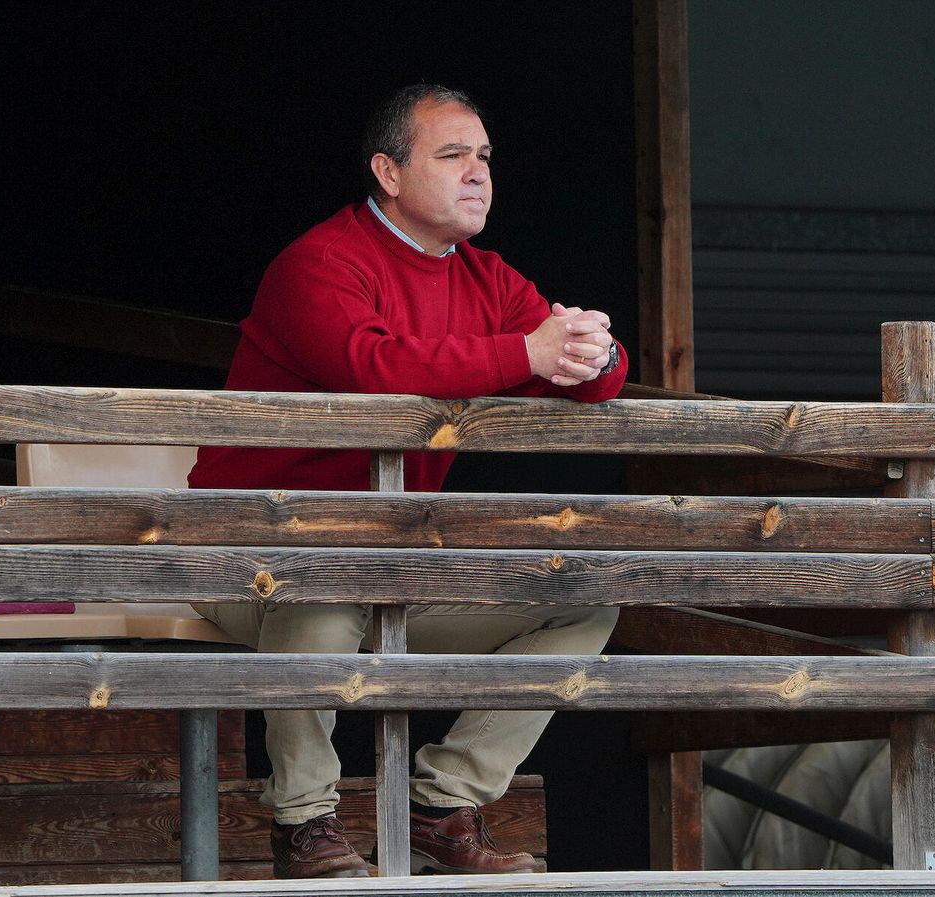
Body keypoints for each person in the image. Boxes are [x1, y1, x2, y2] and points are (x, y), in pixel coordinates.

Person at [188, 84, 627, 879]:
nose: (477, 174)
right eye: (452, 155)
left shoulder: (485, 277)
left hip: (389, 559)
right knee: (324, 580)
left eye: (485, 156)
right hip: (248, 553)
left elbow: (577, 374)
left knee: (582, 599)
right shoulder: (319, 262)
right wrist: (528, 352)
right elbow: (373, 369)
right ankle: (303, 824)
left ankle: (440, 808)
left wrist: (594, 349)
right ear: (388, 172)